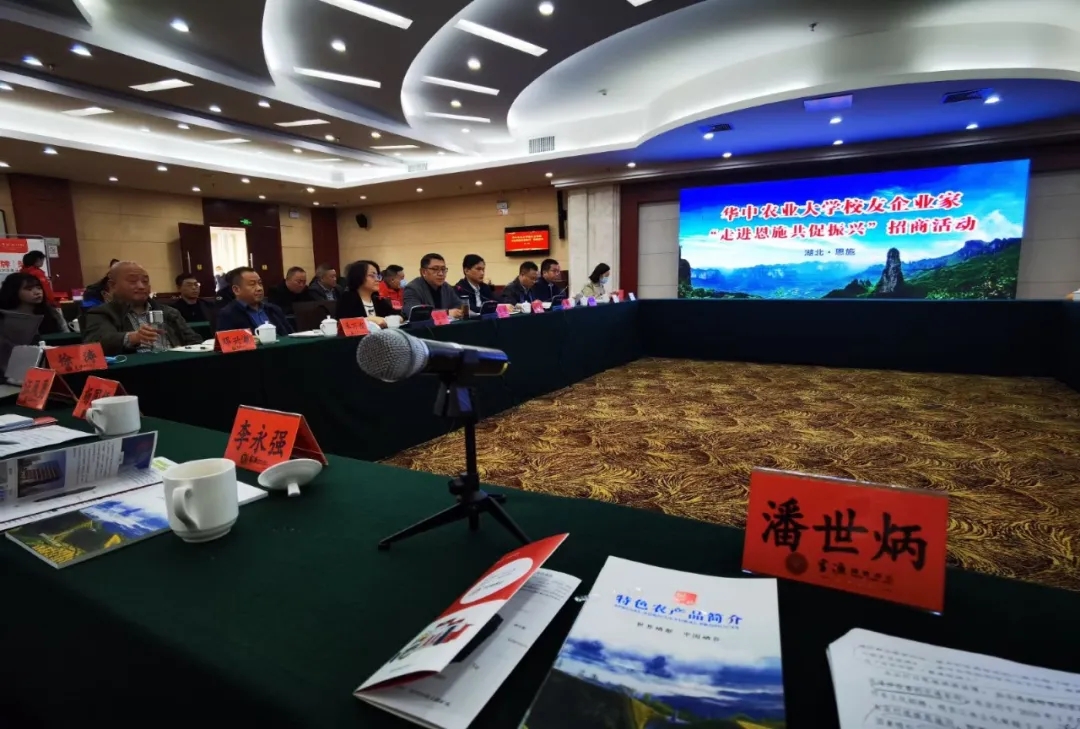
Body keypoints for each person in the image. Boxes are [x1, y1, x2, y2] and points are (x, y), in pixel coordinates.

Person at [83, 261, 200, 355]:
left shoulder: (169, 312)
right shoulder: (101, 313)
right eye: (133, 281)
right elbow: (97, 342)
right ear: (113, 285)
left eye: (145, 281)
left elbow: (195, 340)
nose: (141, 286)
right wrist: (132, 338)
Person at [216, 267, 293, 334]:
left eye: (260, 283)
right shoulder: (228, 314)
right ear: (236, 290)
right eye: (252, 284)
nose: (259, 288)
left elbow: (291, 336)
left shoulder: (274, 309)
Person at [0, 272, 68, 334]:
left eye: (39, 288)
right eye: (29, 289)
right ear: (13, 291)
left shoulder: (51, 312)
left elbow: (65, 334)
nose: (37, 292)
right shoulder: (4, 316)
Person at [402, 253, 464, 319]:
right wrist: (446, 313)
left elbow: (460, 307)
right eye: (435, 269)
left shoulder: (446, 287)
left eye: (443, 269)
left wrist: (463, 311)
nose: (441, 273)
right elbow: (415, 313)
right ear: (423, 272)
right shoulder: (412, 289)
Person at [338, 260, 394, 325]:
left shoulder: (377, 299)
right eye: (372, 276)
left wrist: (397, 318)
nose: (377, 279)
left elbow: (396, 315)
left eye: (377, 276)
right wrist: (368, 320)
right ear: (358, 277)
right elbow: (342, 324)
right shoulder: (347, 298)